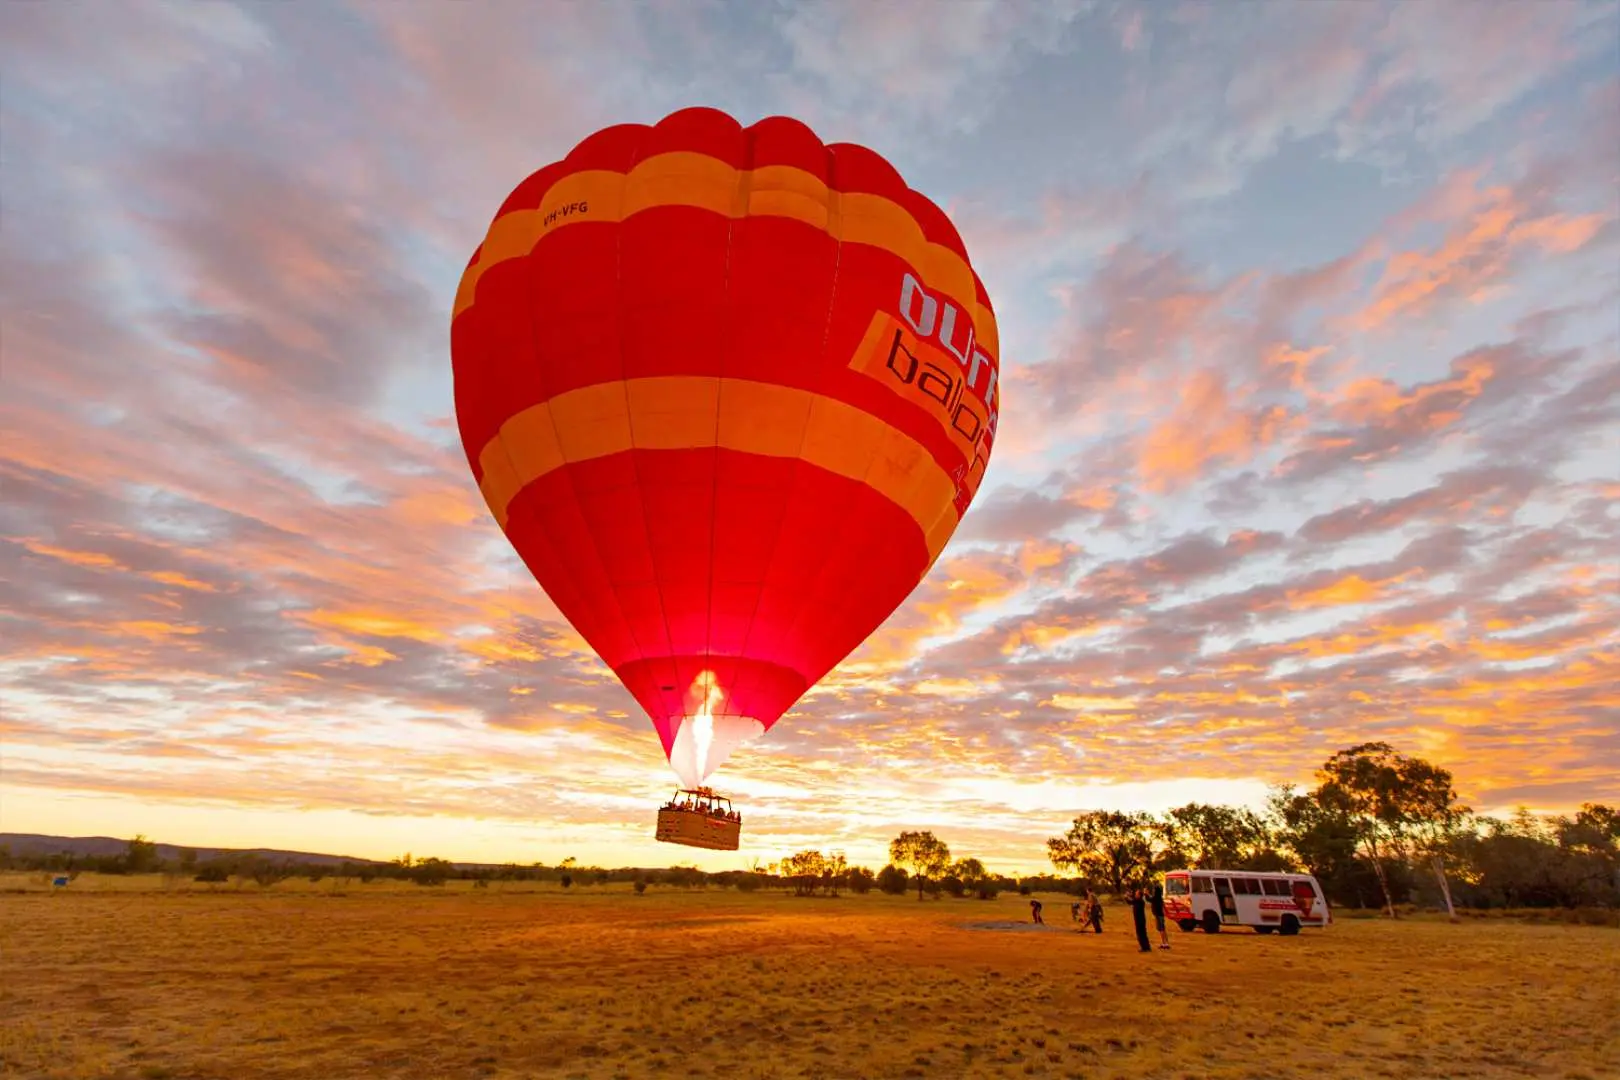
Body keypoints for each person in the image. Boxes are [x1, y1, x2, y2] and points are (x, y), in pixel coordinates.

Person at [1128, 885, 1151, 953]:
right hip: (1140, 920)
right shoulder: (1138, 901)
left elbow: (1131, 901)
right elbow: (1131, 901)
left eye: (1136, 894)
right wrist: (1127, 897)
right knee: (1143, 934)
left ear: (1139, 895)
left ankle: (1144, 947)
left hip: (1139, 920)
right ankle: (1147, 947)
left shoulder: (1139, 901)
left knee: (1140, 934)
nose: (1135, 894)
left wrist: (1127, 896)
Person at [1149, 881, 1171, 949]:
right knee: (1163, 929)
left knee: (1161, 929)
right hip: (1161, 915)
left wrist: (1146, 893)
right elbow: (1163, 906)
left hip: (1158, 915)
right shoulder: (1160, 898)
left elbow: (1149, 899)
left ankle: (1164, 943)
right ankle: (1166, 943)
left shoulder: (1155, 898)